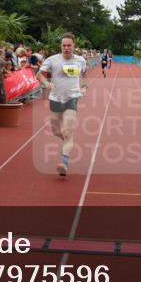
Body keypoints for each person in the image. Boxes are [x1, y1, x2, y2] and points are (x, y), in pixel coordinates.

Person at [36, 33, 88, 177]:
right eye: (64, 45)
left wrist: (84, 87)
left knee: (67, 131)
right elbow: (38, 75)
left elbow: (84, 75)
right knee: (56, 131)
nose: (66, 48)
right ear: (61, 46)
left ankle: (64, 162)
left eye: (69, 45)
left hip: (72, 98)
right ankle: (68, 141)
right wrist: (46, 83)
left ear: (73, 46)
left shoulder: (80, 60)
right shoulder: (52, 60)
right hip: (56, 99)